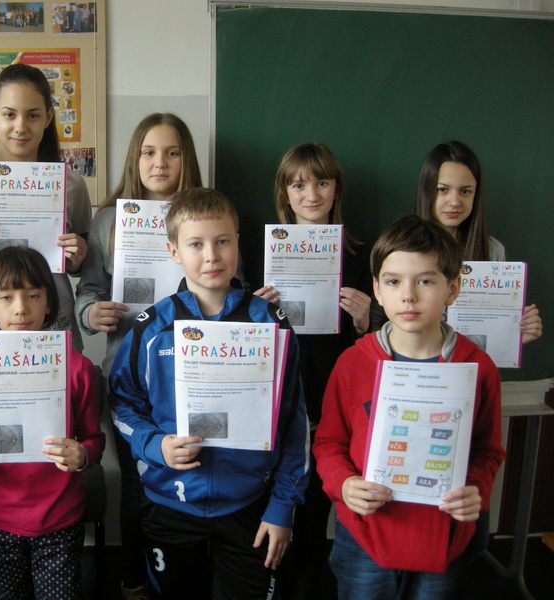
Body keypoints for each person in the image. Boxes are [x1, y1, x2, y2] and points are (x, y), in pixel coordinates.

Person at [110, 188, 309, 599]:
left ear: (238, 242)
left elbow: (294, 421)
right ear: (173, 251)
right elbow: (122, 405)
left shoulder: (270, 324)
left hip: (251, 506)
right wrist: (155, 445)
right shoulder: (151, 328)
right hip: (170, 504)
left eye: (222, 241)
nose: (212, 256)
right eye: (196, 244)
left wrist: (282, 505)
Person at [314, 215, 506, 599]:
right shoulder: (354, 363)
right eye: (393, 281)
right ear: (377, 289)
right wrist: (345, 484)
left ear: (453, 288)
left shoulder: (477, 367)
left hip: (441, 533)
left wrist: (476, 487)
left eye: (425, 281)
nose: (408, 295)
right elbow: (329, 442)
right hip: (365, 531)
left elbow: (487, 450)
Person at [74, 112, 202, 599]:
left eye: (172, 152)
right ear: (135, 158)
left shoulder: (204, 213)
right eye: (149, 152)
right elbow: (88, 289)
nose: (159, 162)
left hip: (191, 373)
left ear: (186, 159)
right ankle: (133, 580)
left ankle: (179, 578)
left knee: (188, 476)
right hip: (128, 375)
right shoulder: (108, 219)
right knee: (136, 483)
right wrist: (91, 313)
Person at [0, 245, 105, 599]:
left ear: (48, 302)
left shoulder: (77, 366)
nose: (20, 308)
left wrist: (82, 455)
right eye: (6, 297)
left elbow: (94, 439)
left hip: (59, 515)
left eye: (33, 295)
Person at [272, 142, 372, 597]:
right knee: (275, 501)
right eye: (298, 185)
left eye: (322, 183)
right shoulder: (263, 251)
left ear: (336, 189)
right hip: (281, 393)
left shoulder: (362, 257)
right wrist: (256, 312)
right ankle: (274, 581)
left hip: (333, 394)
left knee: (315, 503)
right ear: (284, 193)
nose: (311, 194)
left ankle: (307, 581)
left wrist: (367, 320)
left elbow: (375, 347)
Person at [0, 62, 91, 351]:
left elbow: (82, 270)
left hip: (55, 329)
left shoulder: (71, 185)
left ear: (48, 117)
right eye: (9, 114)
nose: (21, 127)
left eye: (33, 115)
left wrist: (78, 258)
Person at [414, 140, 542, 344]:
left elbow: (492, 337)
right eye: (442, 189)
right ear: (427, 190)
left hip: (472, 361)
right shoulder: (404, 248)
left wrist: (514, 336)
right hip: (418, 359)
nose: (454, 201)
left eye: (465, 191)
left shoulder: (492, 250)